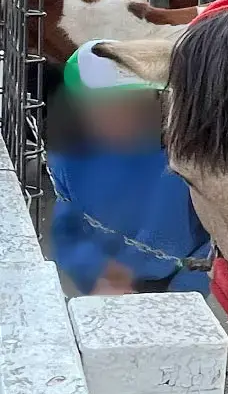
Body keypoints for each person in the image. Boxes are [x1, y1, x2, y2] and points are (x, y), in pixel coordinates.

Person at [47, 39, 211, 296]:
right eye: (104, 107)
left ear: (157, 100)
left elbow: (216, 237)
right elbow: (67, 228)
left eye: (135, 104)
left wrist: (187, 291)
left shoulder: (191, 156)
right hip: (109, 286)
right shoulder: (68, 159)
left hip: (181, 284)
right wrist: (94, 273)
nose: (123, 117)